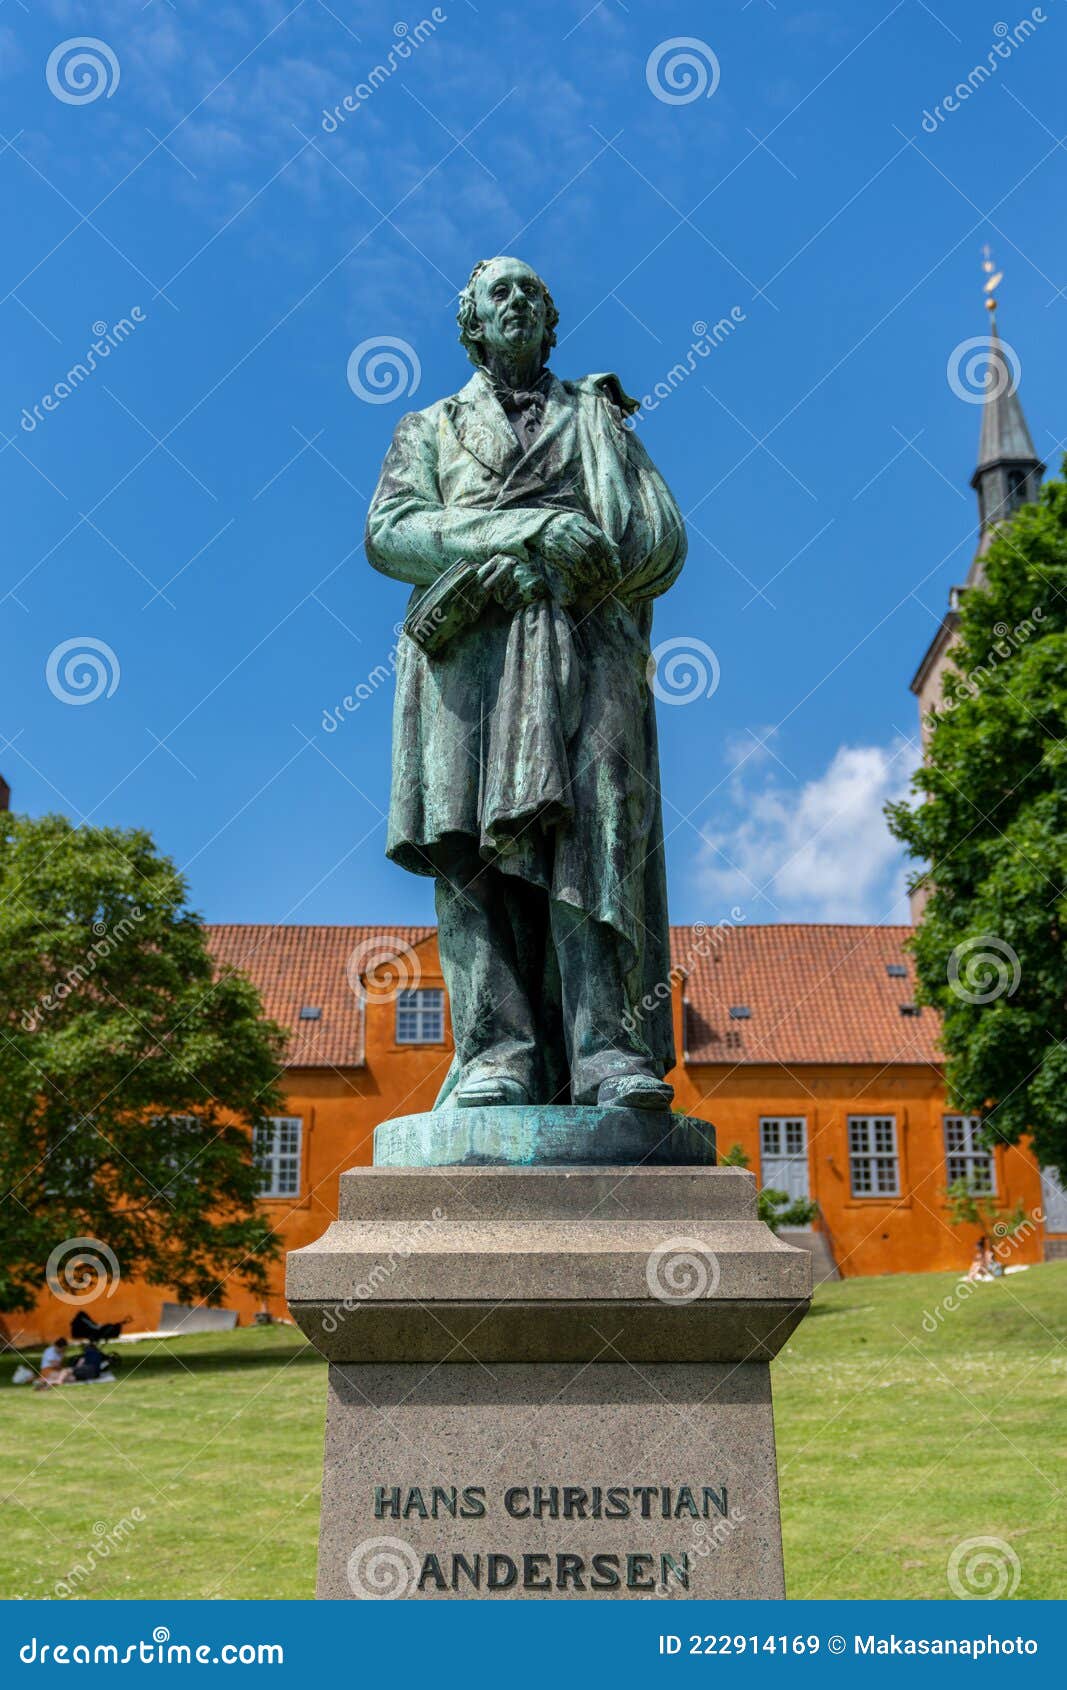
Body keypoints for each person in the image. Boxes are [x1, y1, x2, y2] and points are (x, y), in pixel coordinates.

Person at [366, 256, 687, 1111]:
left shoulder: (598, 420)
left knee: (593, 833)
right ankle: (495, 1052)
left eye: (532, 293)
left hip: (586, 647)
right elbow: (391, 533)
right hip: (468, 661)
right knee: (470, 850)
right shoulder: (428, 427)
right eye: (497, 292)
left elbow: (663, 538)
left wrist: (597, 555)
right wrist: (527, 527)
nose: (516, 302)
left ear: (551, 322)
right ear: (470, 325)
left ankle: (605, 1050)